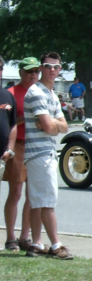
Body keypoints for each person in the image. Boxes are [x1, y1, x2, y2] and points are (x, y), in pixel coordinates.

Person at [24, 52, 71, 259]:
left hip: (44, 151)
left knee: (38, 201)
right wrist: (52, 125)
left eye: (56, 67)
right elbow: (48, 126)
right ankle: (55, 245)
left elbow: (64, 126)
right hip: (40, 153)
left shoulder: (51, 95)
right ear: (41, 68)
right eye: (48, 66)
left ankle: (36, 243)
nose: (52, 70)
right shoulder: (36, 93)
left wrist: (53, 125)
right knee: (48, 201)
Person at [1, 56, 23, 252]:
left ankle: (10, 239)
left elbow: (13, 124)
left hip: (4, 155)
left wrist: (9, 148)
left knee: (14, 192)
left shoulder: (7, 96)